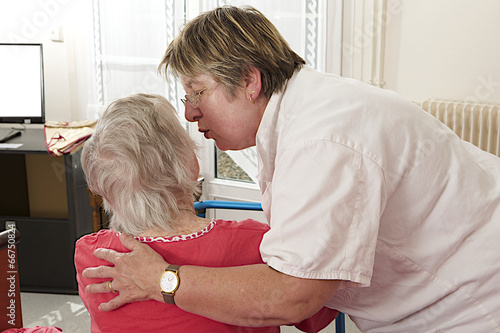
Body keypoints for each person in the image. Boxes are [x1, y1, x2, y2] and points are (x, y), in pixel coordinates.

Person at [82, 6, 500, 332]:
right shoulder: (302, 117)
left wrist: (163, 280)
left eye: (197, 93)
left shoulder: (323, 137)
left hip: (474, 301)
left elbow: (293, 298)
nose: (190, 113)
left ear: (249, 80)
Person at [75, 93, 337, 332]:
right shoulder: (253, 242)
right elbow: (316, 313)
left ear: (103, 191)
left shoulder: (90, 255)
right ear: (190, 163)